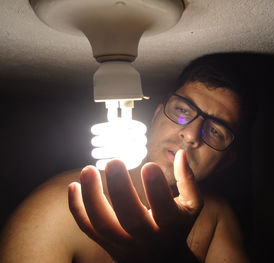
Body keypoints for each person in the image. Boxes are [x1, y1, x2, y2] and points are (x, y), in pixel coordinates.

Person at [0, 53, 254, 263]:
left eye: (214, 130)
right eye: (182, 111)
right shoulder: (57, 208)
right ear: (156, 115)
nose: (190, 134)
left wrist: (172, 257)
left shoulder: (217, 216)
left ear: (225, 161)